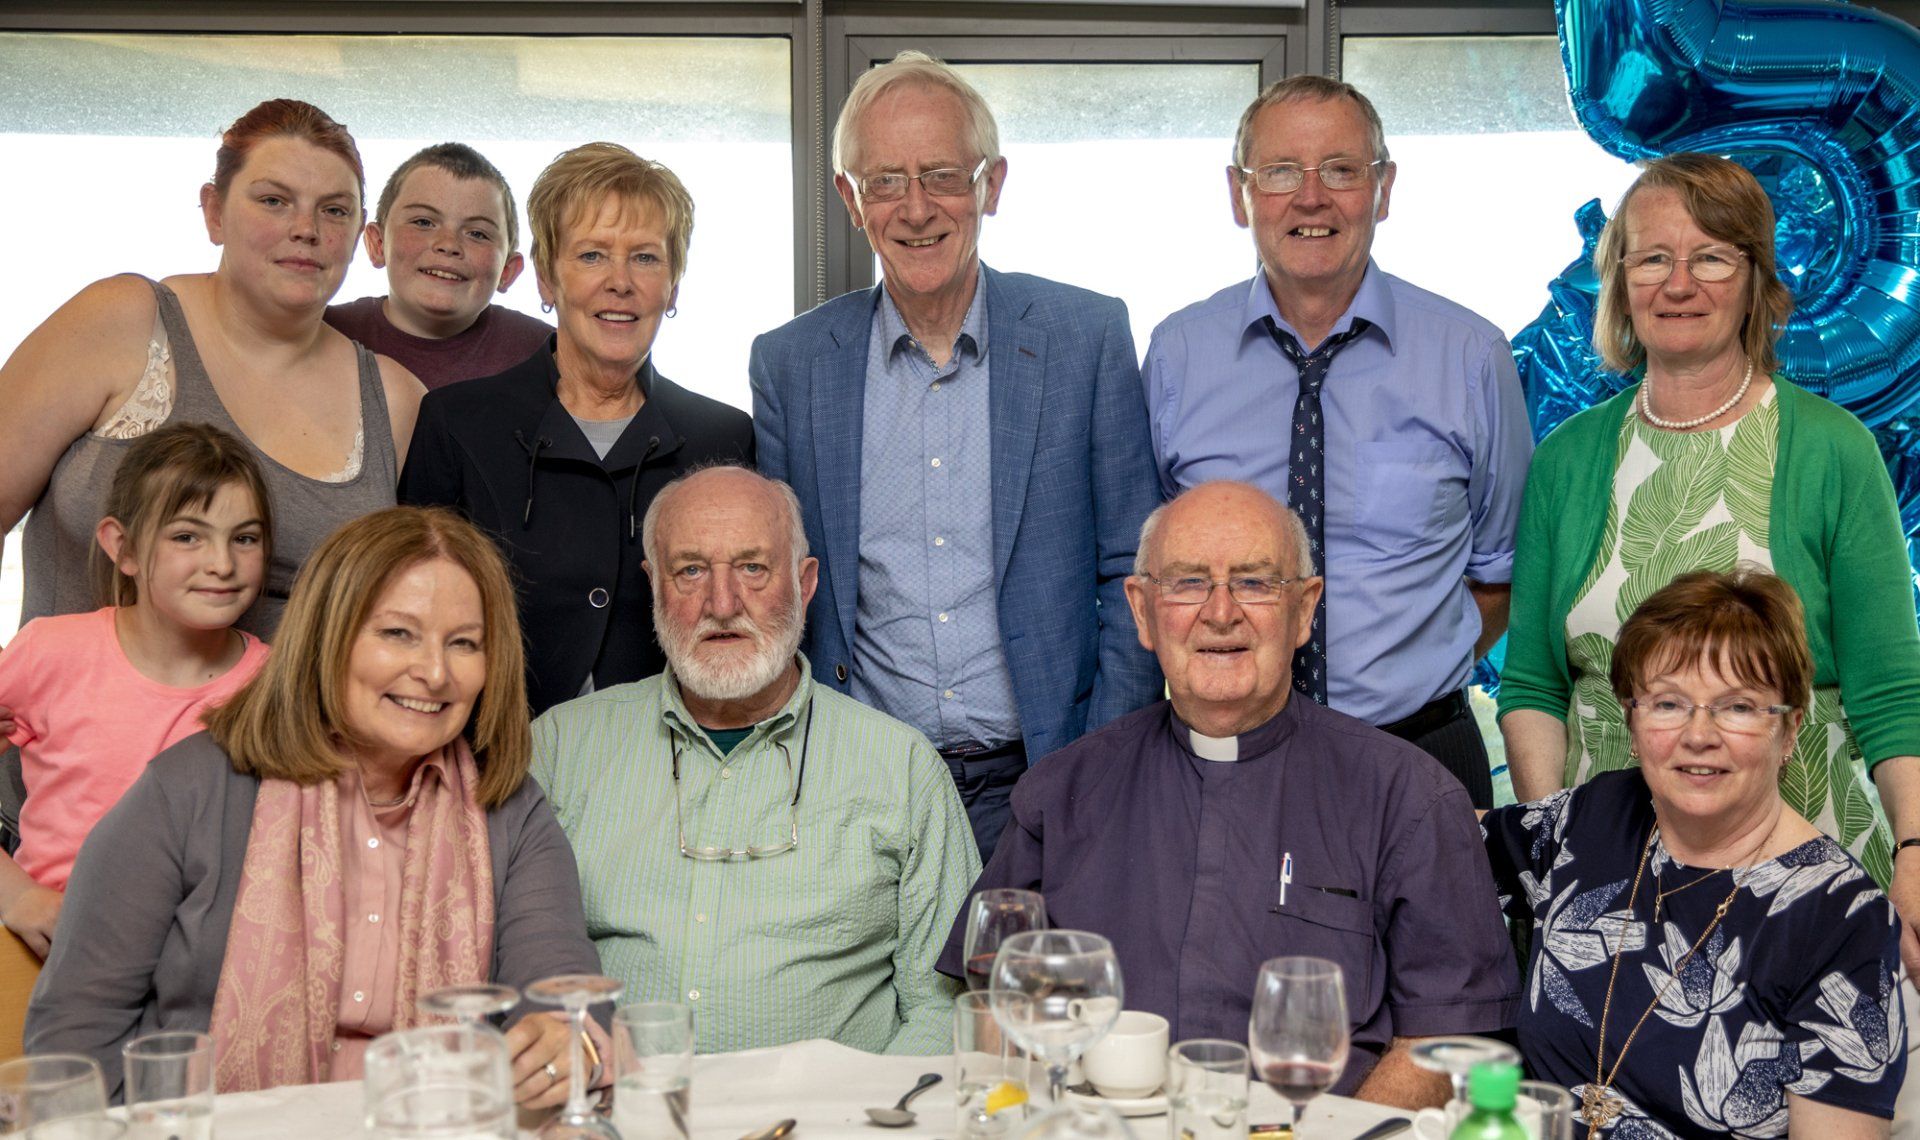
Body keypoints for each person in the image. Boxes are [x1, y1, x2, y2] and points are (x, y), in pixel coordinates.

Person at [942, 481, 1518, 1108]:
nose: (1221, 613)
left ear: (1304, 609)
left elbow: (1446, 1036)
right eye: (1188, 582)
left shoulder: (1410, 797)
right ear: (1141, 610)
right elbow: (994, 1001)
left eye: (1255, 582)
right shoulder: (1060, 792)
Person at [27, 507, 600, 1106]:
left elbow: (565, 996)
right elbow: (71, 1042)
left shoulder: (510, 809)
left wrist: (569, 1043)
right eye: (397, 633)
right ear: (329, 635)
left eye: (463, 644)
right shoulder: (188, 789)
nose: (434, 673)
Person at [751, 50, 1163, 859]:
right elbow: (780, 589)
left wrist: (1098, 757)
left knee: (1033, 987)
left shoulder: (1087, 338)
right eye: (884, 182)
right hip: (856, 779)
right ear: (849, 197)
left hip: (1045, 776)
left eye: (941, 175)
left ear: (991, 185)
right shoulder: (792, 365)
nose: (915, 209)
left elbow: (1133, 569)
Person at [1497, 154, 1920, 925]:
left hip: (1805, 873)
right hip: (1610, 878)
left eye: (1712, 258)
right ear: (1620, 280)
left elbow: (1892, 693)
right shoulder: (1567, 459)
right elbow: (1531, 685)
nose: (1679, 283)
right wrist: (1556, 849)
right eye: (1653, 258)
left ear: (1757, 279)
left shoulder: (1833, 449)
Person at [1141, 76, 1532, 809]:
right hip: (1223, 763)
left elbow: (1500, 570)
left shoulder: (1473, 356)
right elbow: (1160, 571)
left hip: (1421, 753)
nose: (1311, 197)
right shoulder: (1176, 357)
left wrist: (1403, 667)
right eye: (1281, 172)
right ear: (1239, 195)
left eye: (1342, 170)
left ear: (1383, 189)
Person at [532, 466, 980, 1054]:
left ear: (805, 582)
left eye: (752, 568)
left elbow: (945, 1007)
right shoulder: (561, 748)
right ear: (653, 584)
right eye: (691, 570)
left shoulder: (902, 768)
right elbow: (505, 968)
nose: (722, 604)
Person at [1483, 568, 1904, 1137]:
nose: (1698, 734)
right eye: (1667, 703)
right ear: (1632, 724)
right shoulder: (1594, 817)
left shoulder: (1840, 918)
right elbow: (1430, 840)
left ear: (1790, 731)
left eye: (1737, 707)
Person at [0, 97, 422, 637]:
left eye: (335, 210)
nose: (306, 229)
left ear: (362, 229)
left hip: (286, 722)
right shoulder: (122, 321)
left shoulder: (394, 399)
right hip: (70, 717)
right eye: (274, 200)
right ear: (215, 211)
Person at [400, 142, 753, 715]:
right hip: (501, 767)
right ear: (546, 278)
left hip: (676, 774)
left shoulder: (725, 439)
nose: (620, 282)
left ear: (674, 286)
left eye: (645, 257)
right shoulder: (458, 424)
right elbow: (413, 618)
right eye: (591, 256)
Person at [0, 424, 273, 958]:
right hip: (52, 955)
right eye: (187, 536)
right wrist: (16, 895)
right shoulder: (51, 653)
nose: (222, 563)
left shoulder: (276, 683)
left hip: (208, 971)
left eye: (244, 538)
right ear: (122, 548)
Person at [326, 142, 553, 390]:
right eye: (423, 222)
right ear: (377, 244)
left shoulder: (549, 354)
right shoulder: (324, 332)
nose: (448, 244)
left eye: (477, 234)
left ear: (508, 271)